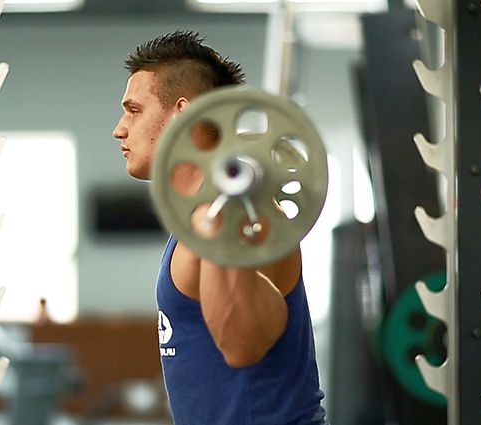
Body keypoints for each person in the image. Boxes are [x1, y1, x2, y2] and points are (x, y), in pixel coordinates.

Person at [112, 30, 327, 425]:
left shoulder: (242, 218)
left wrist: (221, 238)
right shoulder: (197, 220)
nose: (119, 129)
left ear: (182, 113)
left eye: (134, 110)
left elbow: (244, 344)